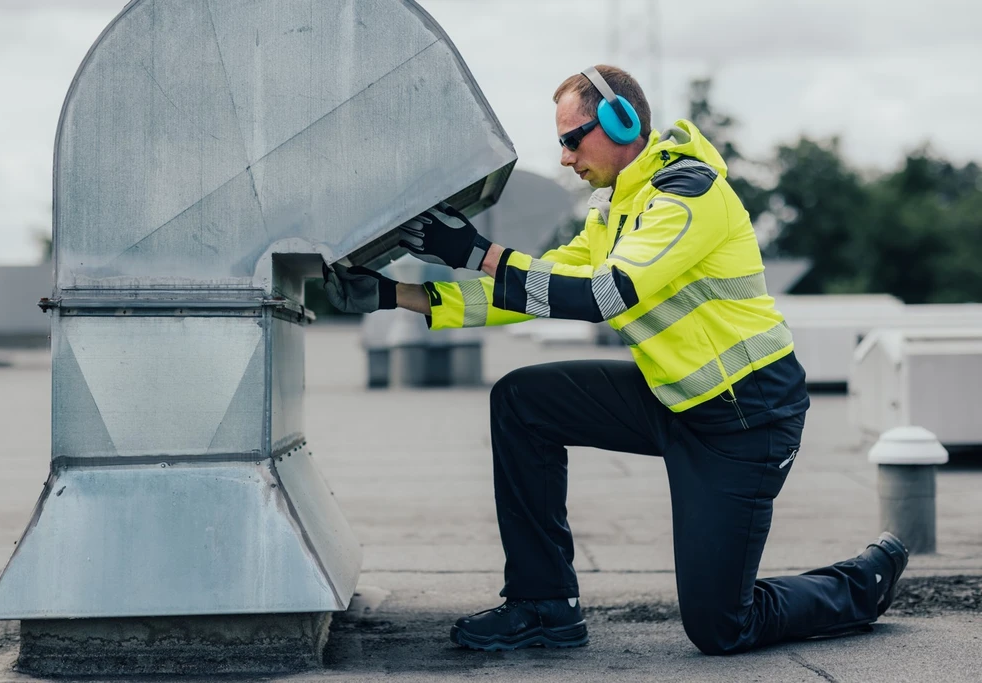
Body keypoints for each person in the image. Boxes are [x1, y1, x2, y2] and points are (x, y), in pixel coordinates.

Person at [322, 65, 909, 655]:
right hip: (671, 397)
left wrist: (477, 252)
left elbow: (603, 296)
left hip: (745, 418)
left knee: (724, 627)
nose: (564, 158)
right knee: (523, 401)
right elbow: (540, 288)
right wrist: (399, 295)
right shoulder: (612, 212)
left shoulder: (688, 196)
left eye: (571, 139)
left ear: (621, 121)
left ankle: (864, 582)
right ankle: (543, 605)